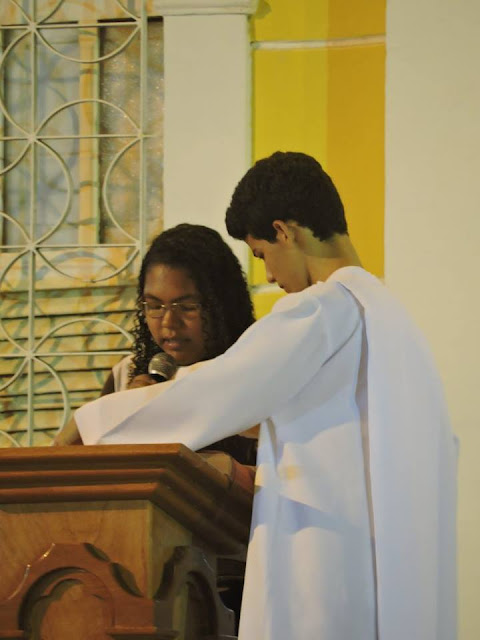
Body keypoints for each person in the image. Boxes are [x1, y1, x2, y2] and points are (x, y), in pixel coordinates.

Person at [68, 152, 458, 640]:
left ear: (284, 232)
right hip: (399, 579)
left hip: (330, 574)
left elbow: (213, 393)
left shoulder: (325, 311)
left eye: (261, 254)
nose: (270, 276)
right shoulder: (394, 322)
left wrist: (90, 422)